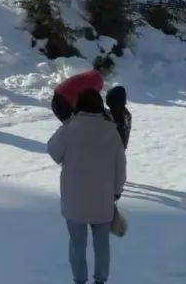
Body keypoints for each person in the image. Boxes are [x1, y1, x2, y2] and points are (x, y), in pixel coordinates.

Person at [47, 88, 127, 284]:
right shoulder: (111, 131)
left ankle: (79, 280)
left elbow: (53, 152)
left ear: (78, 106)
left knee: (77, 245)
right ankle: (100, 280)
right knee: (102, 245)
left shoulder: (69, 128)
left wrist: (66, 122)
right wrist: (116, 192)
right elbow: (120, 166)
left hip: (74, 202)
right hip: (103, 200)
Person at [52, 56, 113, 122]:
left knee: (72, 127)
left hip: (58, 99)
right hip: (63, 103)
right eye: (109, 70)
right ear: (102, 69)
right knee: (75, 127)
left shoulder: (92, 74)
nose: (110, 73)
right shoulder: (98, 79)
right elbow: (93, 100)